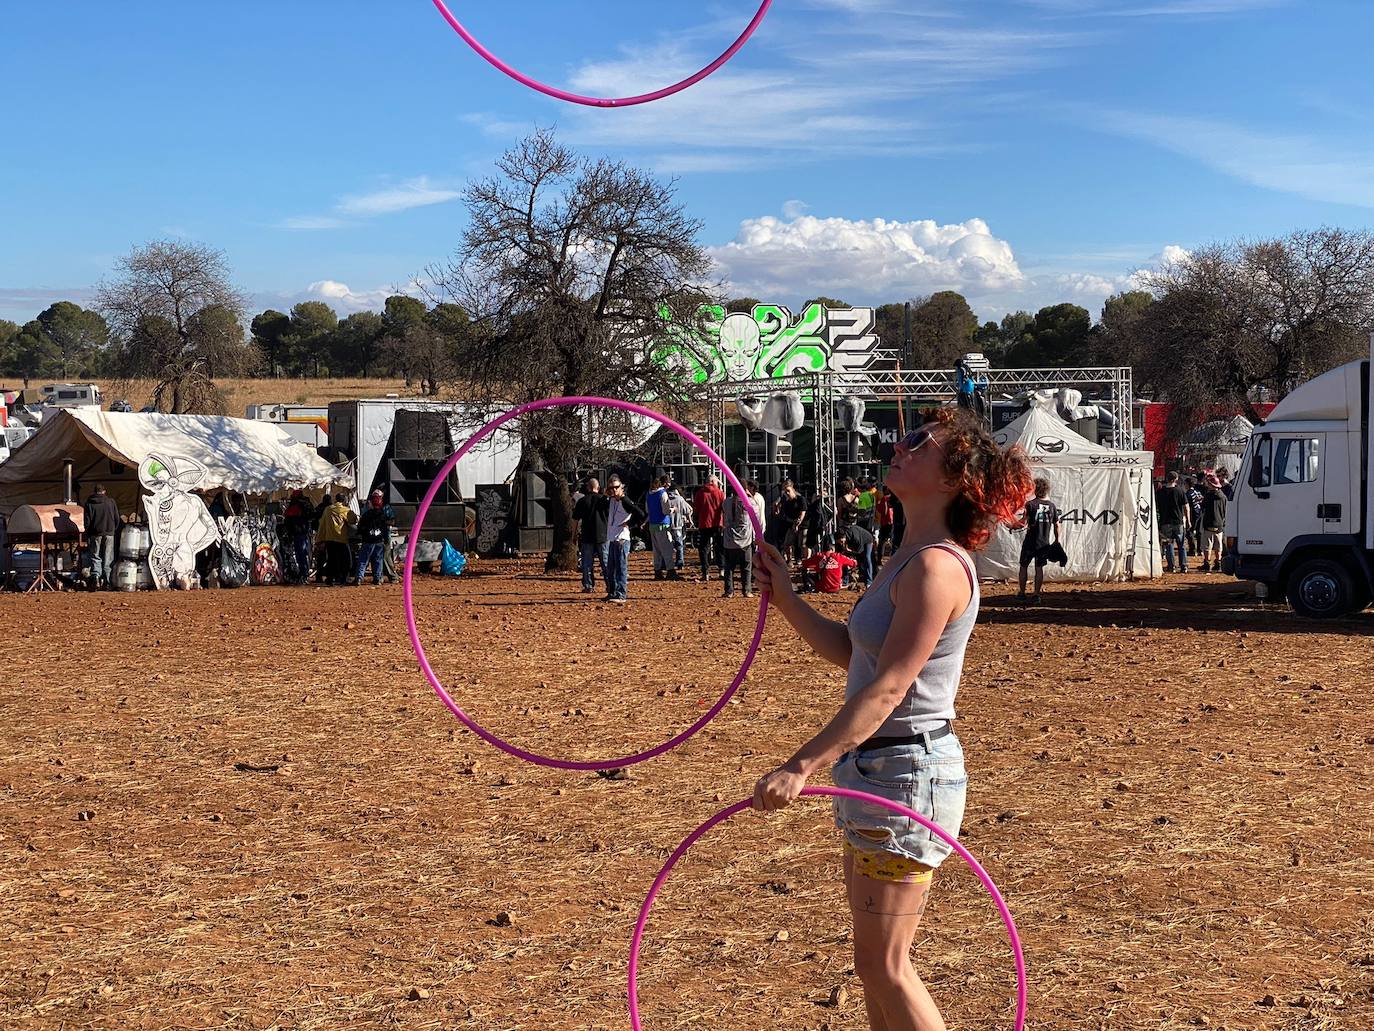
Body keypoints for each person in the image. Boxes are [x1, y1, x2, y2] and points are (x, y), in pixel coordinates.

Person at [750, 407, 1034, 1031]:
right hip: (877, 770)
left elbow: (887, 689)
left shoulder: (937, 567)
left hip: (907, 772)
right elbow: (857, 656)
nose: (899, 448)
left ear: (954, 478)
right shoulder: (908, 554)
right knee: (872, 964)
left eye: (919, 444)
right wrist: (790, 598)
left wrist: (801, 765)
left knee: (886, 966)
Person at [1017, 477, 1060, 604]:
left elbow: (1023, 522)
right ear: (1046, 490)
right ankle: (1036, 594)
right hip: (1043, 543)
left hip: (1030, 541)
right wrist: (1057, 541)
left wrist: (1011, 524)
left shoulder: (1030, 504)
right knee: (1039, 568)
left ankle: (1022, 593)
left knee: (1023, 566)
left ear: (1035, 489)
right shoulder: (1052, 506)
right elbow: (1057, 525)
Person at [604, 476, 645, 604]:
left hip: (622, 538)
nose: (613, 490)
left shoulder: (624, 501)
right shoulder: (611, 500)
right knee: (611, 568)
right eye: (611, 488)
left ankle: (621, 594)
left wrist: (630, 524)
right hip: (612, 538)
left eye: (616, 487)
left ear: (621, 487)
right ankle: (612, 592)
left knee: (621, 567)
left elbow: (640, 514)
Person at [572, 477, 609, 594]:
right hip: (603, 535)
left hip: (587, 536)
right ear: (598, 487)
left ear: (588, 487)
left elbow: (575, 520)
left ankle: (588, 585)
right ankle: (610, 584)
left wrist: (574, 535)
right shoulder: (604, 500)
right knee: (606, 562)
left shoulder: (582, 501)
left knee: (587, 563)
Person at [82, 484, 120, 590]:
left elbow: (87, 522)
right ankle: (107, 582)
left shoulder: (89, 503)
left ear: (94, 492)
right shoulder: (111, 502)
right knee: (108, 558)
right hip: (109, 533)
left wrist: (88, 533)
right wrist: (112, 529)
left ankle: (95, 579)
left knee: (95, 556)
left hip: (95, 534)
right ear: (104, 491)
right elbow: (117, 518)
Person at [721, 486, 756, 598]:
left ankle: (729, 591)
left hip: (729, 540)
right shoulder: (748, 502)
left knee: (729, 567)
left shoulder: (726, 502)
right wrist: (750, 496)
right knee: (746, 566)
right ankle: (747, 590)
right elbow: (757, 512)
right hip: (745, 539)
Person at [316, 493, 357, 586]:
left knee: (331, 560)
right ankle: (343, 579)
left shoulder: (328, 509)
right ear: (344, 500)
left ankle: (330, 578)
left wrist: (320, 538)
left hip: (330, 539)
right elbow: (353, 520)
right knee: (345, 560)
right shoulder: (345, 510)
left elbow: (322, 524)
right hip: (342, 539)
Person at [355, 489, 393, 586]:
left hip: (367, 540)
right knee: (378, 560)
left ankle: (359, 578)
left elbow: (360, 527)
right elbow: (385, 528)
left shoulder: (366, 514)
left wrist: (361, 534)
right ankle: (377, 578)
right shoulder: (383, 514)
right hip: (378, 540)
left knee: (363, 559)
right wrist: (385, 538)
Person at [1156, 472, 1191, 573]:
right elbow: (1186, 507)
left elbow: (1157, 507)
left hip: (1165, 522)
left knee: (1168, 544)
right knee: (1181, 545)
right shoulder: (1180, 491)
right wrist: (1188, 520)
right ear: (1175, 479)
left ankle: (1172, 566)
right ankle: (1183, 566)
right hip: (1178, 521)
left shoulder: (1161, 492)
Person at [692, 475, 725, 582]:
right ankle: (721, 570)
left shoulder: (700, 493)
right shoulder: (720, 493)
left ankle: (705, 572)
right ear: (713, 482)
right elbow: (723, 508)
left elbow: (696, 509)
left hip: (704, 523)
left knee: (703, 549)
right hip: (718, 523)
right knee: (719, 547)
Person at [645, 475, 676, 581]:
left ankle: (657, 571)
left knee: (656, 551)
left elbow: (647, 510)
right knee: (667, 549)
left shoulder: (649, 494)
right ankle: (670, 571)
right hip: (662, 524)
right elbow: (665, 511)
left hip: (652, 524)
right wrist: (673, 509)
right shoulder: (662, 494)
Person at [281, 489, 315, 585]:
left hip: (297, 533)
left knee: (300, 554)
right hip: (305, 532)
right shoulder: (305, 504)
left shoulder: (294, 506)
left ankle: (303, 574)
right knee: (305, 554)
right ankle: (304, 573)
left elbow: (287, 518)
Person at [1200, 473, 1228, 573]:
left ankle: (1207, 564)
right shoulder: (1223, 496)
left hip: (1208, 523)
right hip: (1220, 524)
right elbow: (1225, 510)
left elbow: (1202, 507)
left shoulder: (1208, 496)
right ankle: (1218, 563)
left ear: (1212, 485)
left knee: (1207, 545)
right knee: (1218, 545)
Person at [777, 479, 807, 564]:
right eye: (785, 491)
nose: (787, 493)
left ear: (793, 489)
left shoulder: (801, 499)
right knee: (787, 543)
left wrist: (798, 523)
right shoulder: (787, 503)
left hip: (803, 525)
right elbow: (786, 516)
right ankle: (789, 560)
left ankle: (802, 560)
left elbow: (802, 513)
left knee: (802, 544)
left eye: (788, 491)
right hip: (792, 525)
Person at [666, 484, 693, 573]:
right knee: (679, 545)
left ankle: (667, 564)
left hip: (666, 525)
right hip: (677, 525)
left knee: (666, 546)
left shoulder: (664, 498)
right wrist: (688, 519)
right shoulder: (680, 499)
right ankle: (680, 562)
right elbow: (689, 509)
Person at [841, 520, 876, 587]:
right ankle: (847, 580)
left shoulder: (855, 537)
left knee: (866, 558)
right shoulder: (844, 535)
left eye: (842, 541)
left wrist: (850, 551)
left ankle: (869, 581)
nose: (841, 543)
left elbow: (859, 551)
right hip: (858, 543)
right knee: (848, 559)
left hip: (867, 540)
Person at [875, 485, 896, 569]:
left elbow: (881, 510)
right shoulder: (894, 498)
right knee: (893, 541)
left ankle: (879, 559)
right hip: (893, 521)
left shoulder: (884, 499)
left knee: (882, 542)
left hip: (885, 522)